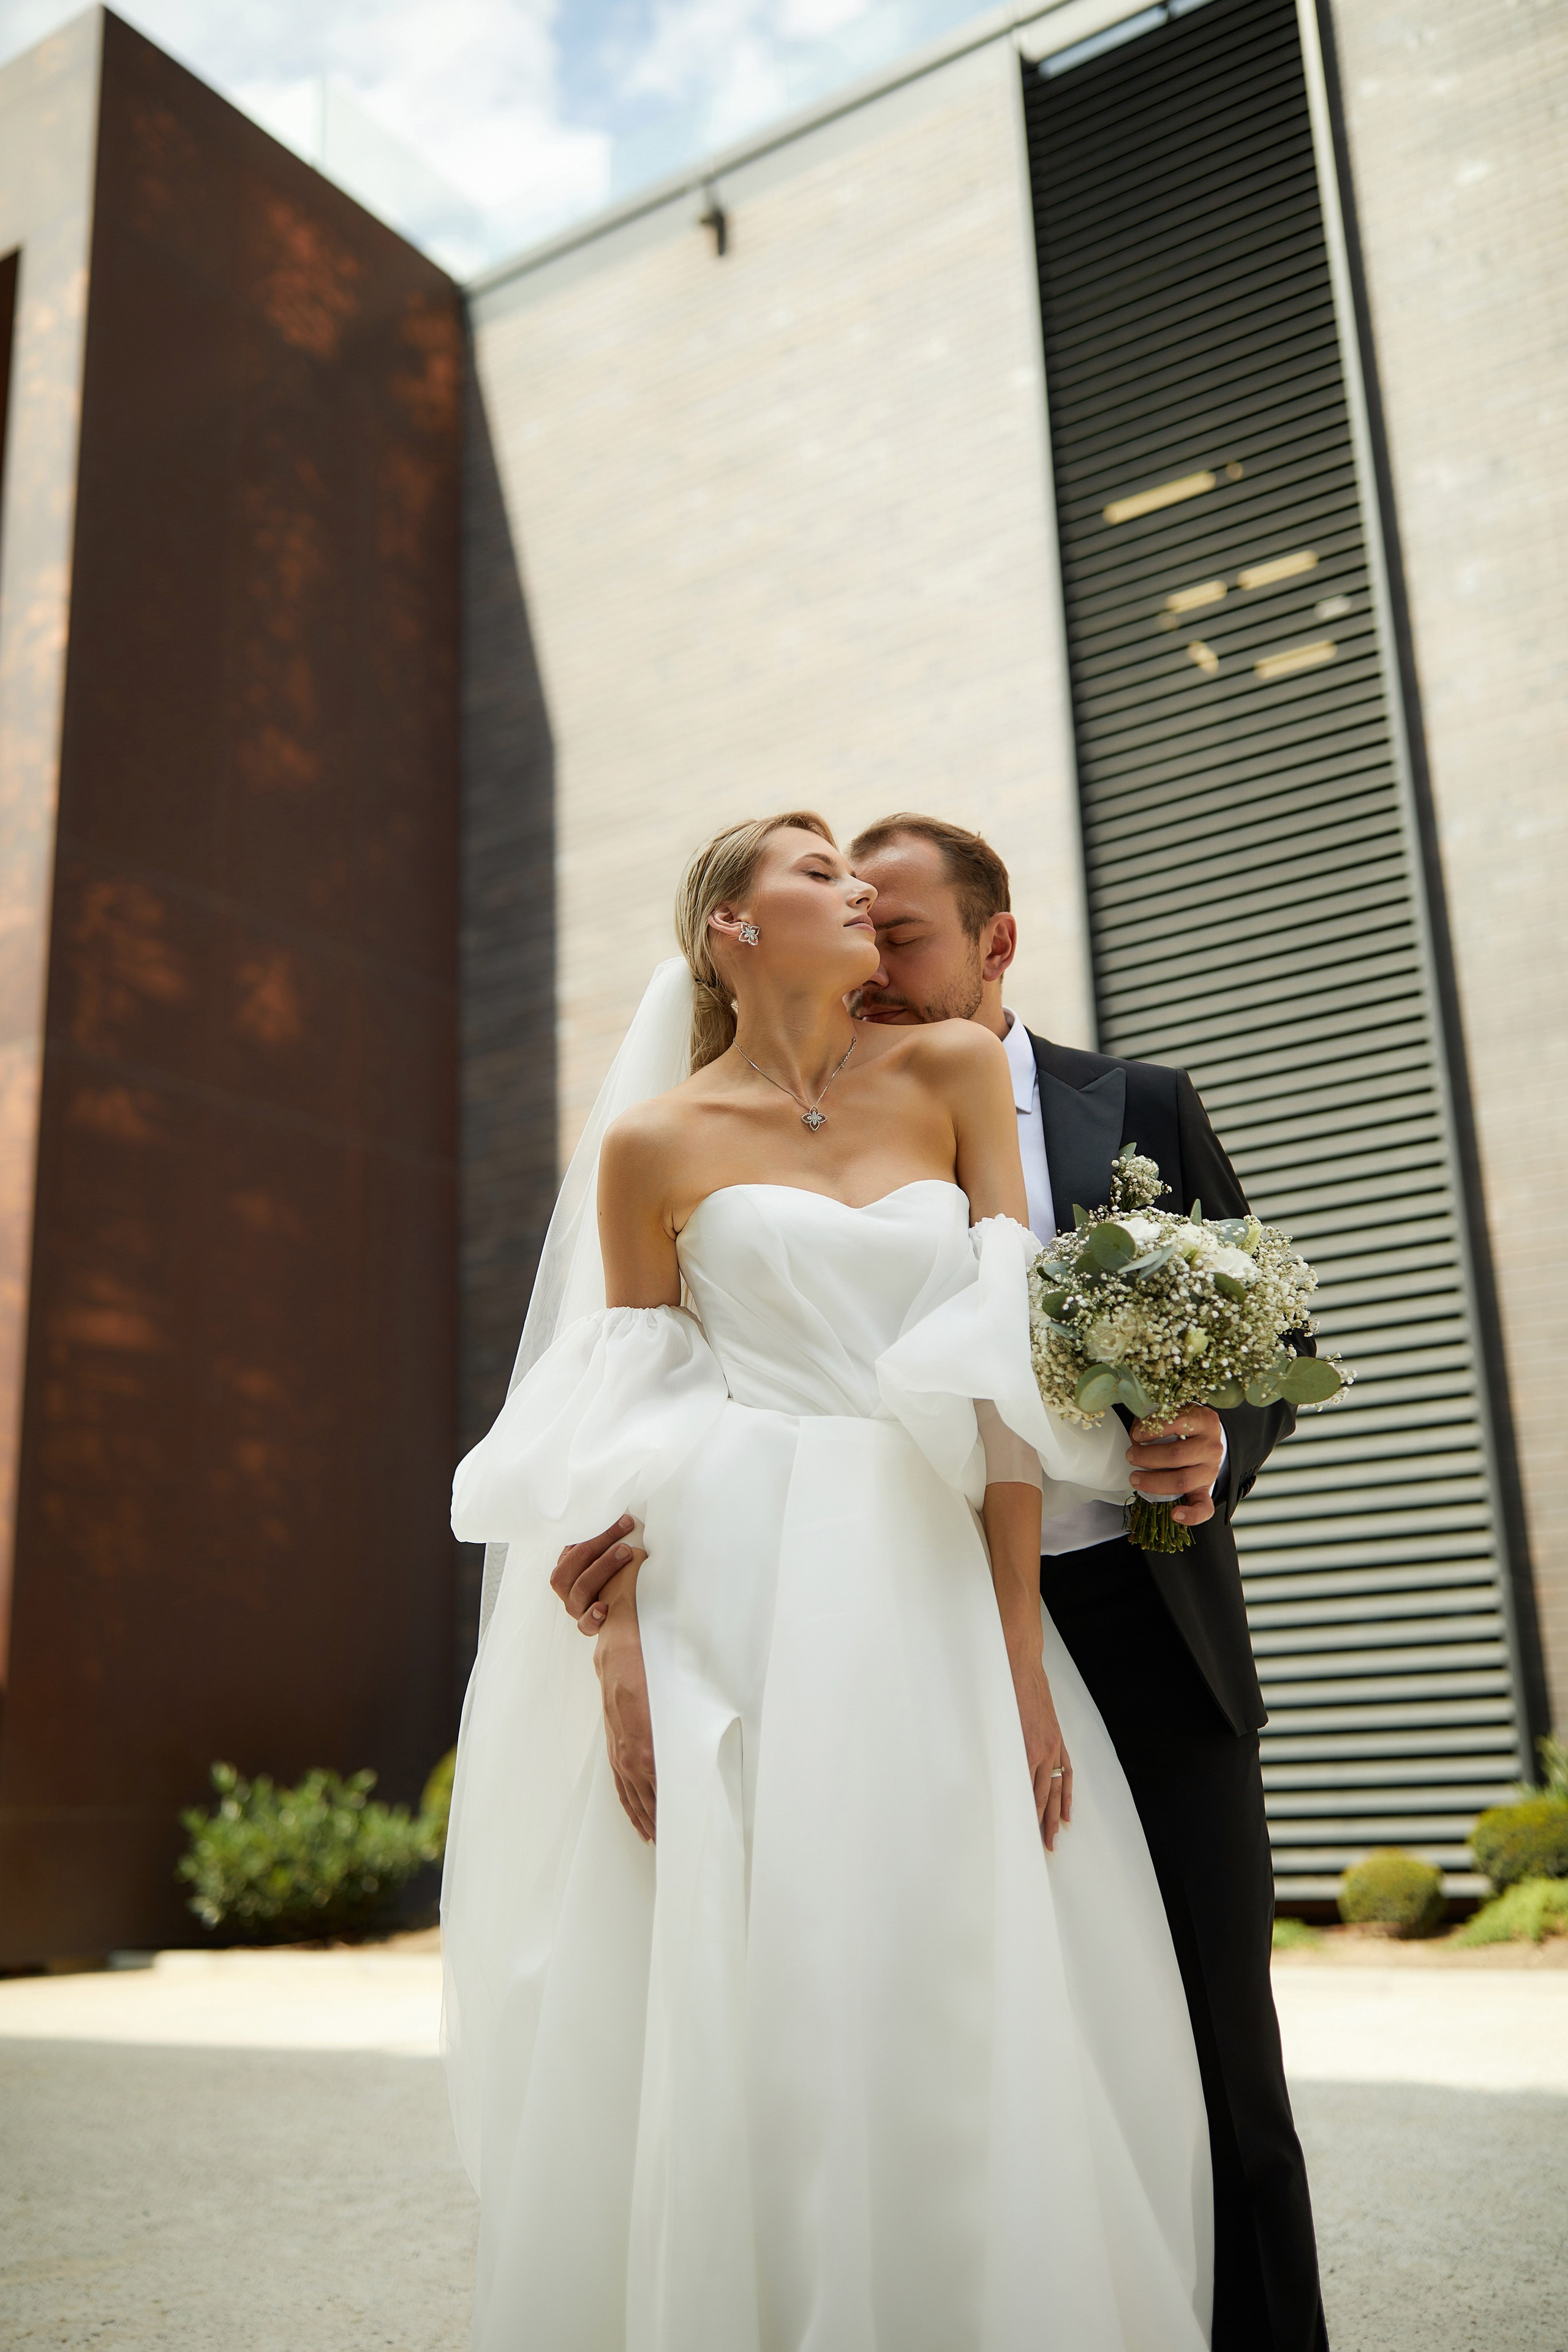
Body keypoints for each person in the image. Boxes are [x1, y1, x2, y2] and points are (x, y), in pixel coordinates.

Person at [556, 814, 1330, 2352]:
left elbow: (1259, 1338)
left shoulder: (1128, 1103)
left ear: (995, 945)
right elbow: (647, 1383)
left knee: (1204, 2039)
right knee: (875, 1990)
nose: (871, 948)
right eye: (840, 900)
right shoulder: (688, 1133)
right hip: (851, 1596)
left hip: (1121, 1604)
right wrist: (614, 1608)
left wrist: (1210, 1440)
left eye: (899, 930)